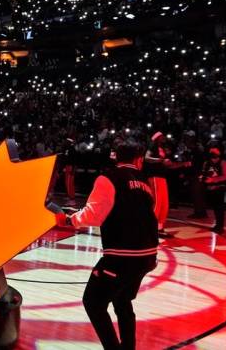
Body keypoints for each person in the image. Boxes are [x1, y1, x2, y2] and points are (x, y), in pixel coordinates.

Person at [57, 139, 158, 350]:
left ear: (115, 157)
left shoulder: (108, 178)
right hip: (148, 256)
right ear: (139, 159)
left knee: (93, 302)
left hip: (122, 257)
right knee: (122, 301)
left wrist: (69, 219)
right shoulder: (145, 182)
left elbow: (93, 216)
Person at [144, 132, 173, 238]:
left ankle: (159, 227)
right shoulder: (152, 148)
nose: (164, 138)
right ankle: (150, 227)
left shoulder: (163, 148)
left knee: (165, 203)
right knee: (157, 202)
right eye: (162, 136)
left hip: (162, 177)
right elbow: (146, 158)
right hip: (154, 176)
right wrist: (161, 160)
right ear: (157, 138)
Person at [200, 147, 226, 233]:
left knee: (219, 207)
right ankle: (218, 224)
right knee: (215, 207)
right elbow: (203, 173)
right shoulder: (207, 163)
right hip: (210, 187)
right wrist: (202, 177)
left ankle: (220, 226)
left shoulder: (223, 162)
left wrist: (213, 180)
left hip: (219, 187)